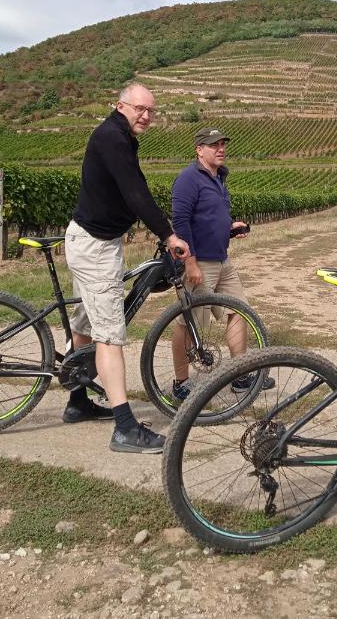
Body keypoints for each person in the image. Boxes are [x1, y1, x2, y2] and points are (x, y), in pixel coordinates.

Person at [63, 83, 189, 454]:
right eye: (140, 109)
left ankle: (77, 401)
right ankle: (125, 428)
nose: (146, 116)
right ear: (121, 106)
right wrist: (168, 235)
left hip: (95, 242)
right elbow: (135, 193)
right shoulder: (113, 138)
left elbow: (135, 189)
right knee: (110, 336)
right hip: (95, 248)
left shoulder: (119, 137)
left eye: (152, 110)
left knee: (85, 324)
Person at [170, 128, 275, 397]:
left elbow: (209, 218)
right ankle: (181, 383)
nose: (220, 148)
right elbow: (180, 222)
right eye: (212, 144)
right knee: (187, 322)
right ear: (198, 149)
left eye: (222, 144)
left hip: (222, 260)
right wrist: (190, 262)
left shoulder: (219, 178)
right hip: (200, 263)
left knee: (240, 311)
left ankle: (239, 377)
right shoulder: (188, 178)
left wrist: (230, 228)